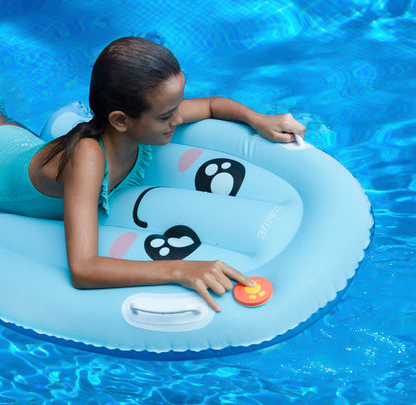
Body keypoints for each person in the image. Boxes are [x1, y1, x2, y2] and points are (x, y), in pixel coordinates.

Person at [0, 36, 305, 311]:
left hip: (15, 139)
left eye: (175, 106)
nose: (178, 117)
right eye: (165, 115)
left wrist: (258, 119)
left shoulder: (149, 118)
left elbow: (212, 105)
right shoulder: (89, 158)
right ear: (120, 120)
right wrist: (180, 269)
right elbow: (83, 269)